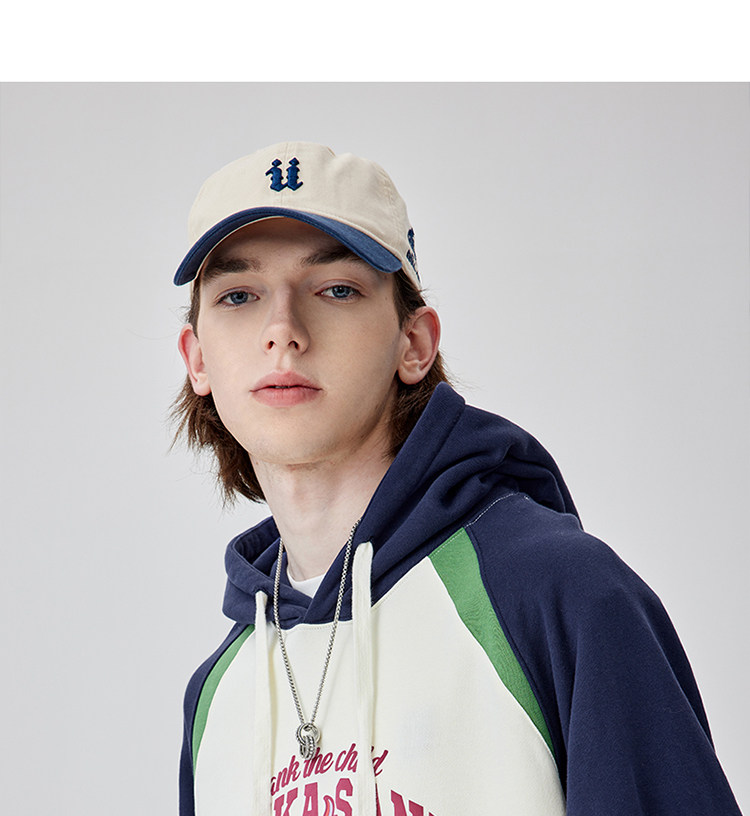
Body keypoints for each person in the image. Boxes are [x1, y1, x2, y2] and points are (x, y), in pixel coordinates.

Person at [172, 142, 741, 816]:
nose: (282, 330)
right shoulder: (218, 697)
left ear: (414, 343)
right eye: (239, 295)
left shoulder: (560, 595)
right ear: (197, 359)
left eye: (336, 289)